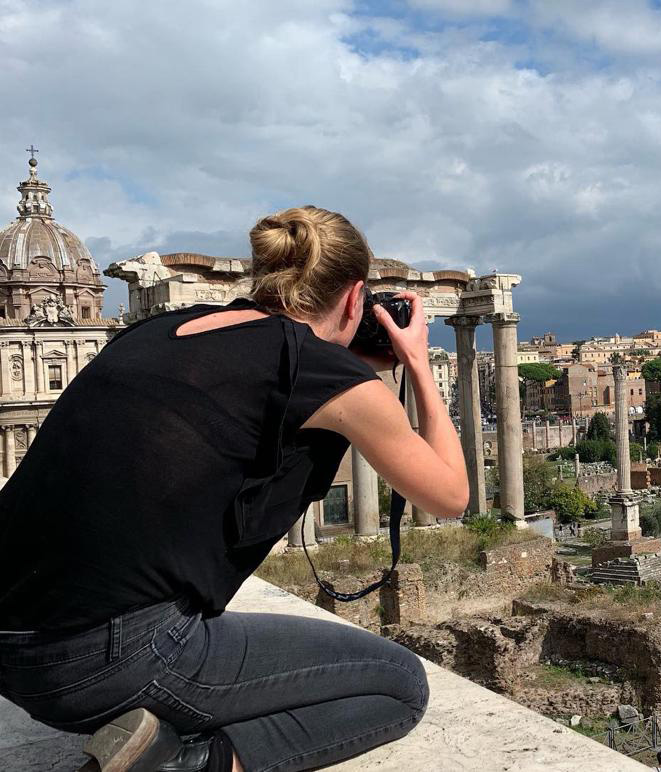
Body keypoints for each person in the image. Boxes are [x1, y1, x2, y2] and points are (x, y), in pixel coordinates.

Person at [0, 207, 471, 772]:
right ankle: (195, 765)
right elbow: (450, 496)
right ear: (355, 298)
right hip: (98, 663)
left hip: (11, 648)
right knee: (400, 684)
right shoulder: (313, 369)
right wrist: (416, 361)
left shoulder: (159, 332)